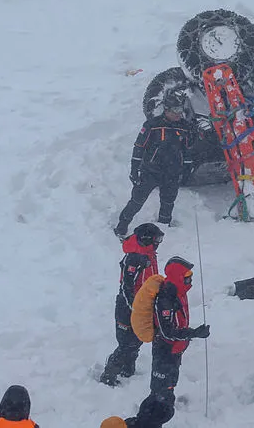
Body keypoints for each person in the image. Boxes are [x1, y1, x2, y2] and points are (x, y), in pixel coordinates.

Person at [126, 257, 210, 428]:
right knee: (160, 394)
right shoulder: (166, 298)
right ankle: (144, 423)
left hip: (174, 351)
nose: (190, 279)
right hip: (164, 350)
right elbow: (167, 331)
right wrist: (193, 333)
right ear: (178, 277)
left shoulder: (178, 292)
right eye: (187, 276)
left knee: (167, 390)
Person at [114, 90, 196, 239]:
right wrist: (135, 169)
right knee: (137, 200)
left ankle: (163, 230)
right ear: (166, 110)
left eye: (180, 110)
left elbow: (187, 149)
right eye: (175, 110)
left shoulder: (184, 127)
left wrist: (187, 168)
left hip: (172, 172)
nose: (178, 114)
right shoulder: (152, 125)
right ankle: (122, 226)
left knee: (168, 202)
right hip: (150, 171)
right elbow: (139, 147)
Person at [100, 223, 165, 387]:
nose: (159, 242)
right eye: (157, 239)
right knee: (126, 343)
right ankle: (109, 374)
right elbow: (126, 287)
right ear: (146, 239)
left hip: (143, 305)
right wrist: (134, 307)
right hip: (127, 306)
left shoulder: (149, 254)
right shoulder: (134, 258)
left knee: (137, 339)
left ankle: (127, 369)